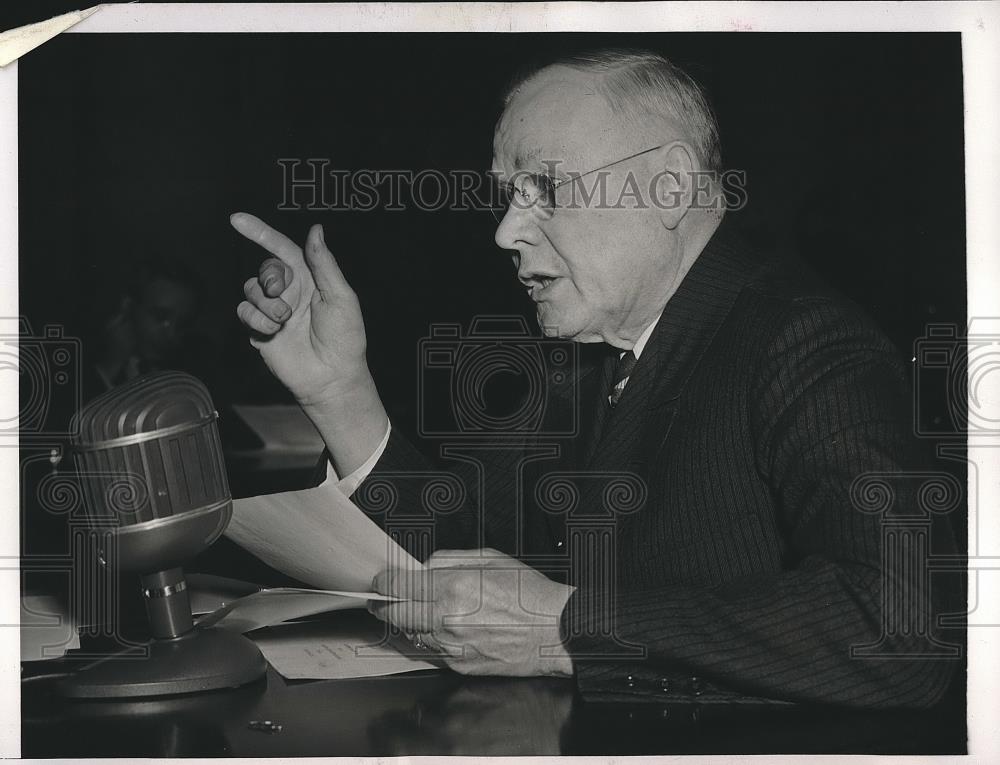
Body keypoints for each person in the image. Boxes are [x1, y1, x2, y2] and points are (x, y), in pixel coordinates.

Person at [233, 49, 958, 707]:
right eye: (509, 194)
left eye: (544, 186)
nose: (505, 232)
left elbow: (898, 624)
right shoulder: (587, 353)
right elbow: (468, 554)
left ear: (669, 187)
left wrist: (565, 629)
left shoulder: (803, 340)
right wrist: (341, 392)